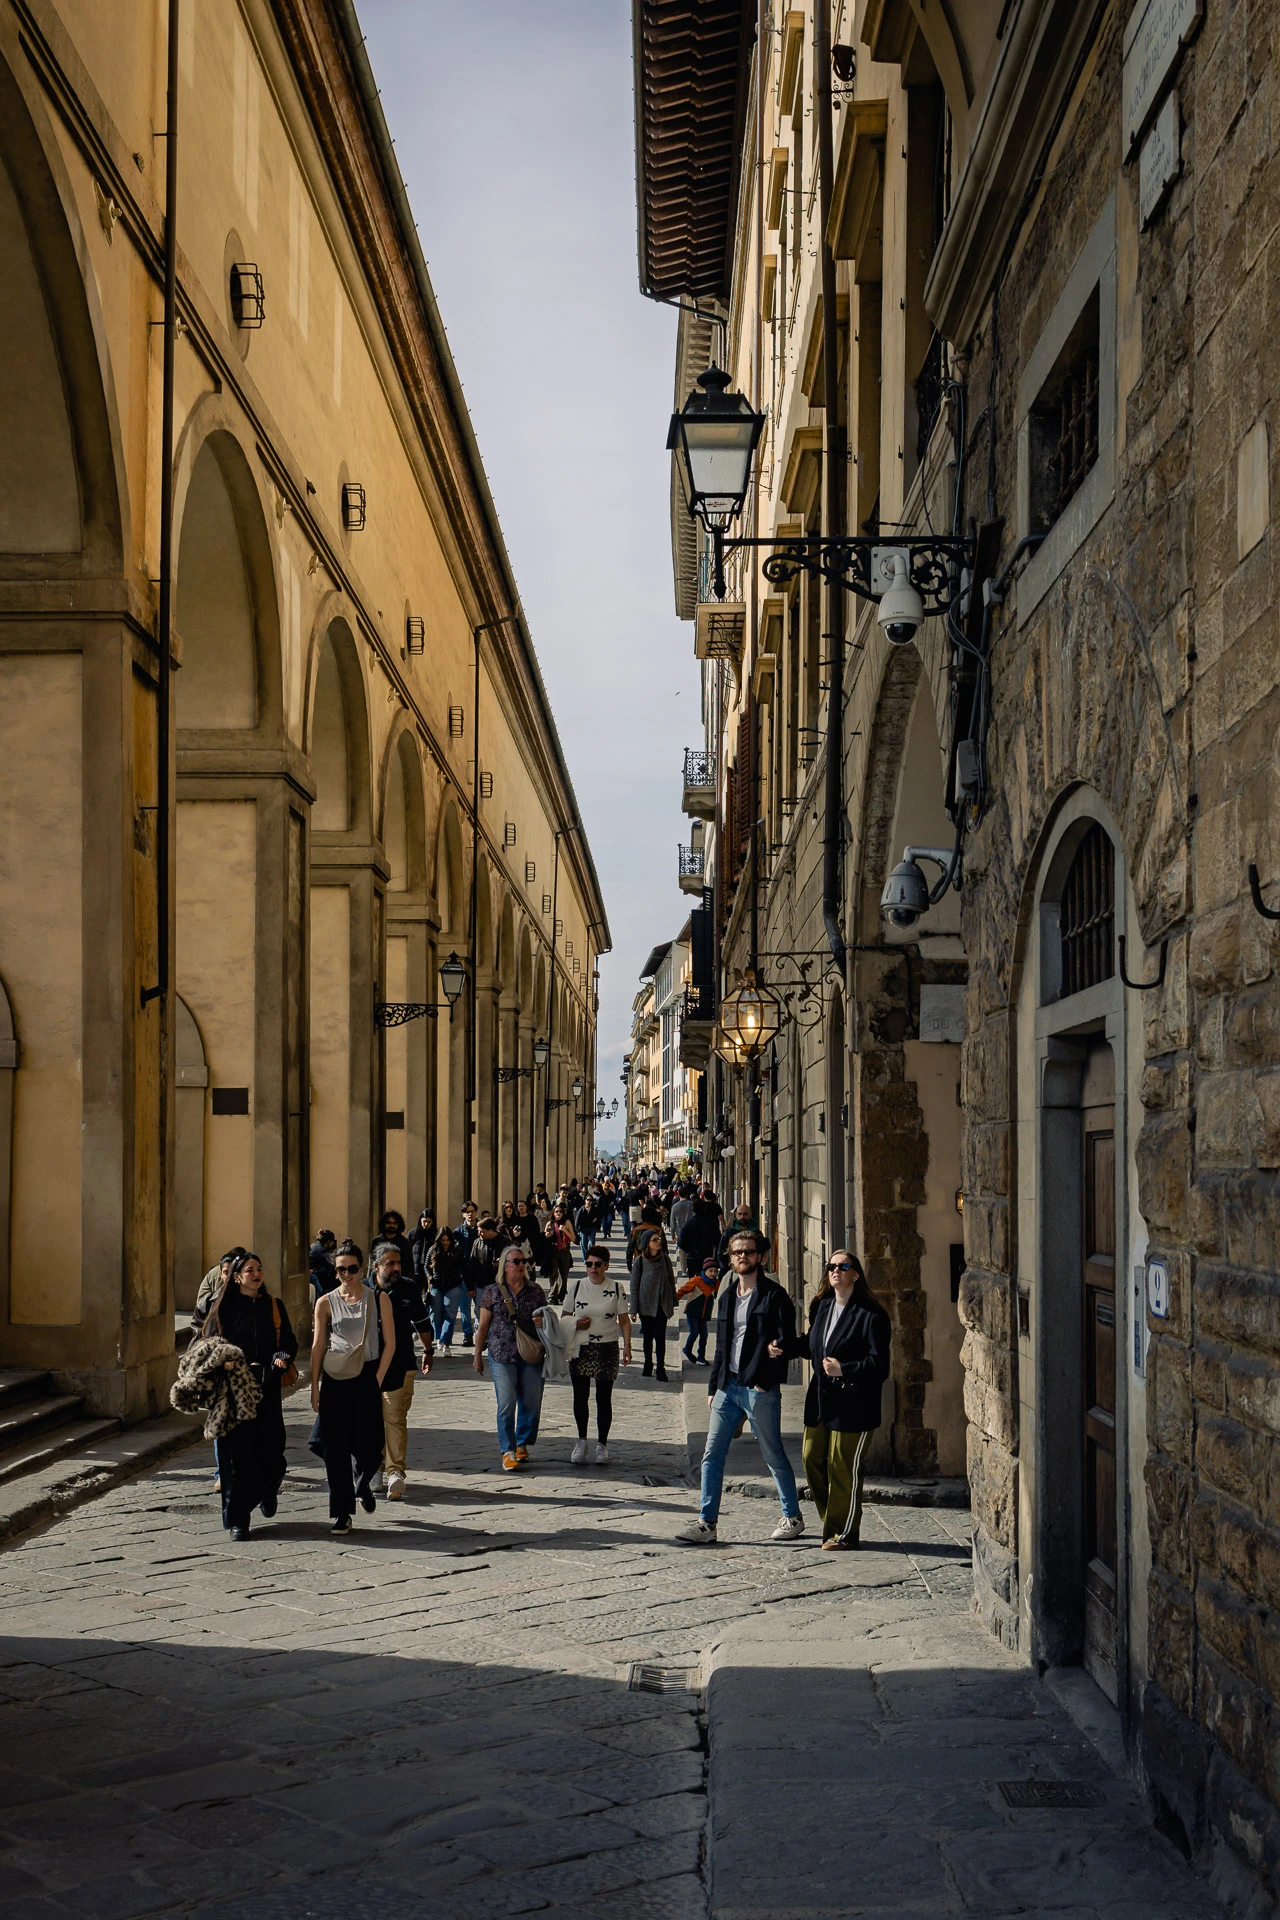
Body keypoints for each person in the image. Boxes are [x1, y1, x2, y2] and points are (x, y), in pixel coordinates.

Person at [675, 1231, 805, 1547]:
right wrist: (713, 1387)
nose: (742, 1256)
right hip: (728, 1387)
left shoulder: (775, 1295)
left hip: (759, 1389)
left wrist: (768, 1375)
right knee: (711, 1455)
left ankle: (792, 1516)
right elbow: (722, 1345)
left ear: (760, 1256)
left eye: (748, 1251)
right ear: (730, 1258)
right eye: (736, 1252)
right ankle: (707, 1523)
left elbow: (788, 1341)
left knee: (772, 1453)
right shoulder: (727, 1295)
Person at [200, 1252, 297, 1541]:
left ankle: (267, 1490)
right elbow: (208, 1346)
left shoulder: (274, 1306)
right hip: (232, 1393)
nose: (256, 1274)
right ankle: (238, 1520)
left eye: (259, 1269)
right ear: (236, 1277)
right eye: (249, 1270)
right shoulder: (223, 1308)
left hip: (266, 1389)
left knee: (272, 1451)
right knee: (234, 1459)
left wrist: (282, 1357)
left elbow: (288, 1341)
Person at [800, 1252, 891, 1549]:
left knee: (842, 1467)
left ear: (856, 1274)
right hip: (821, 1400)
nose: (836, 1270)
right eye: (831, 1266)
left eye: (843, 1266)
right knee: (811, 1458)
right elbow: (811, 1345)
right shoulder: (822, 1307)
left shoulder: (872, 1315)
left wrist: (845, 1369)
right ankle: (834, 1519)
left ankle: (844, 1533)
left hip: (854, 1404)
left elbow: (879, 1366)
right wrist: (781, 1347)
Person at [311, 1240, 396, 1534]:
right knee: (335, 1449)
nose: (346, 1274)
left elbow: (390, 1344)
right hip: (335, 1379)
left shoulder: (379, 1298)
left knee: (371, 1444)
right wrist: (314, 1386)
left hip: (367, 1375)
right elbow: (318, 1346)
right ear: (335, 1271)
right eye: (341, 1270)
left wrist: (377, 1378)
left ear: (362, 1269)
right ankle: (341, 1513)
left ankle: (363, 1484)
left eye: (352, 1269)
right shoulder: (325, 1302)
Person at [474, 1244, 547, 1471]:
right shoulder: (492, 1292)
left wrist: (542, 1321)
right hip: (501, 1353)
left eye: (523, 1261)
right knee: (506, 1402)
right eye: (516, 1261)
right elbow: (483, 1326)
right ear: (505, 1266)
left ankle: (521, 1442)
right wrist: (477, 1355)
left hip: (531, 1352)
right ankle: (507, 1450)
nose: (521, 1265)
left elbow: (546, 1318)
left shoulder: (535, 1290)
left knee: (531, 1401)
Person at [371, 1244, 434, 1500]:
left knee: (395, 1418)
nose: (396, 1268)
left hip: (401, 1364)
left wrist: (428, 1350)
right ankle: (374, 1467)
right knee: (370, 1419)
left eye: (398, 1263)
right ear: (376, 1266)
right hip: (369, 1366)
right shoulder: (364, 1290)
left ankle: (395, 1471)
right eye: (390, 1264)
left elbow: (421, 1322)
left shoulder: (408, 1287)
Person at [564, 1245, 631, 1464]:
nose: (593, 1268)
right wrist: (576, 1323)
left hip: (607, 1347)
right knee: (580, 1396)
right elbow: (564, 1317)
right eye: (589, 1264)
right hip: (581, 1347)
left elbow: (623, 1319)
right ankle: (581, 1440)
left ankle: (602, 1444)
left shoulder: (616, 1288)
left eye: (598, 1264)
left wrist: (627, 1345)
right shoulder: (576, 1287)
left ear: (606, 1266)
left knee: (604, 1398)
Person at [629, 1228, 677, 1381]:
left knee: (660, 1337)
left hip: (662, 1305)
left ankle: (660, 1368)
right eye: (654, 1240)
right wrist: (633, 1309)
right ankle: (648, 1364)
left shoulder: (665, 1260)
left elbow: (671, 1281)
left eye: (659, 1239)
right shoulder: (640, 1262)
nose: (658, 1242)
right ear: (647, 1244)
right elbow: (634, 1286)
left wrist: (673, 1301)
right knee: (648, 1337)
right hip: (646, 1305)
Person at [427, 1227, 472, 1347]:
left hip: (453, 1285)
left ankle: (445, 1341)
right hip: (436, 1285)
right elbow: (426, 1266)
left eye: (448, 1240)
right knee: (435, 1313)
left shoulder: (457, 1251)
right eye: (443, 1240)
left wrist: (470, 1287)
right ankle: (438, 1337)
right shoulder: (433, 1250)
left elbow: (464, 1269)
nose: (446, 1243)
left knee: (450, 1313)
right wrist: (429, 1276)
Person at [677, 1253, 718, 1366]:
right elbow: (682, 1290)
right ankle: (687, 1349)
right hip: (692, 1312)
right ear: (705, 1271)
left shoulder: (715, 1283)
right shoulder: (697, 1281)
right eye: (710, 1271)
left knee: (704, 1335)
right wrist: (674, 1301)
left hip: (704, 1314)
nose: (713, 1273)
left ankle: (701, 1357)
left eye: (715, 1271)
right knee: (694, 1332)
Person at [678, 1193, 723, 1277]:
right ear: (704, 1209)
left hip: (692, 1257)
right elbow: (718, 1241)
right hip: (707, 1256)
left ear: (693, 1209)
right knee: (707, 1279)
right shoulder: (712, 1223)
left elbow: (681, 1243)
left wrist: (689, 1250)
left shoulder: (687, 1224)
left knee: (693, 1280)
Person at [716, 1202, 761, 1274]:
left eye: (745, 1214)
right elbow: (720, 1254)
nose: (742, 1217)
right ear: (735, 1215)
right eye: (739, 1214)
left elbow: (762, 1252)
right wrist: (727, 1270)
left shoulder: (757, 1234)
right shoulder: (728, 1234)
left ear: (750, 1215)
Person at [370, 1210, 412, 1274]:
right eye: (388, 1223)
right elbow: (372, 1264)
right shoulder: (376, 1241)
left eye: (394, 1223)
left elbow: (409, 1267)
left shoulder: (405, 1243)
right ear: (384, 1224)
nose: (392, 1225)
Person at [408, 1207, 437, 1284]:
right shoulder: (413, 1234)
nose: (426, 1224)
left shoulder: (436, 1235)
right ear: (420, 1220)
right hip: (415, 1269)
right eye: (424, 1221)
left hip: (429, 1269)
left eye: (429, 1222)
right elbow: (406, 1250)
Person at [307, 1232, 336, 1300]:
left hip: (314, 1269)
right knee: (332, 1268)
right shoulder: (321, 1250)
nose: (333, 1244)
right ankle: (324, 1293)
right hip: (313, 1271)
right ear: (329, 1241)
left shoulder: (316, 1244)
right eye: (332, 1242)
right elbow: (333, 1260)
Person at [575, 1191, 601, 1265]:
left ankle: (591, 1257)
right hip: (583, 1229)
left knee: (592, 1243)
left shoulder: (594, 1209)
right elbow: (577, 1219)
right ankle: (585, 1259)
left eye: (591, 1200)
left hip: (592, 1228)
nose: (589, 1202)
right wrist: (577, 1228)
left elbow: (598, 1216)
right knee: (584, 1245)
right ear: (585, 1200)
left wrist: (596, 1222)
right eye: (588, 1200)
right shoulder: (581, 1209)